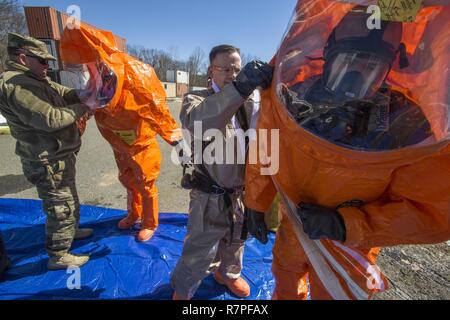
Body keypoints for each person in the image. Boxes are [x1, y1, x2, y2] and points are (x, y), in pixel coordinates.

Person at [244, 2, 450, 300]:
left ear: (389, 67)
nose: (358, 73)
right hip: (293, 228)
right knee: (286, 281)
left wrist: (347, 225)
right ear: (328, 55)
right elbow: (267, 147)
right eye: (349, 59)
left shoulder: (405, 126)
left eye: (371, 65)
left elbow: (431, 209)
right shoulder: (296, 99)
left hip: (346, 245)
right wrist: (255, 202)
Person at [60, 25, 183, 242]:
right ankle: (133, 214)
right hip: (119, 142)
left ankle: (149, 222)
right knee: (127, 180)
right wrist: (76, 130)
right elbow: (90, 102)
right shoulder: (96, 72)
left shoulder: (136, 72)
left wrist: (174, 137)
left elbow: (157, 108)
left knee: (145, 182)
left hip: (141, 142)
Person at [170, 45, 273, 300]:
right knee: (200, 249)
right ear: (210, 71)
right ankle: (183, 292)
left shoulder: (251, 103)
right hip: (209, 196)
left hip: (242, 193)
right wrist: (238, 90)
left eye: (237, 69)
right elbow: (201, 123)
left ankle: (228, 275)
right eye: (225, 69)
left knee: (236, 241)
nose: (232, 74)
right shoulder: (196, 100)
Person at [0, 33, 101, 270]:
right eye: (43, 61)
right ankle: (58, 255)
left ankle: (70, 232)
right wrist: (86, 106)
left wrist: (90, 92)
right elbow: (50, 119)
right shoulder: (17, 85)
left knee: (68, 199)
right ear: (23, 58)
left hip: (59, 156)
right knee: (60, 206)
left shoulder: (35, 78)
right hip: (46, 160)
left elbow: (65, 93)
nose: (48, 66)